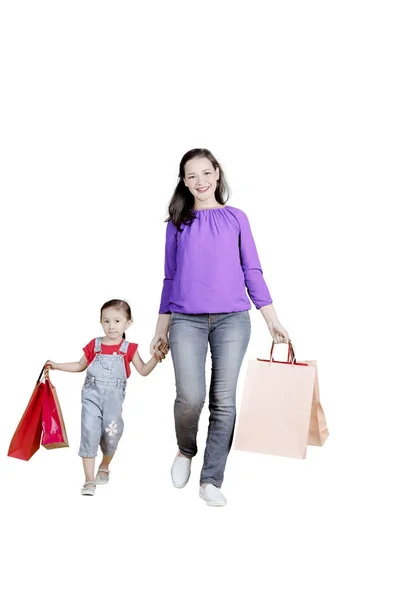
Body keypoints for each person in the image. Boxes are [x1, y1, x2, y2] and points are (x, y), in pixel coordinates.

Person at [150, 148, 289, 507]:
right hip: (185, 320)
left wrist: (272, 321)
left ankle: (211, 479)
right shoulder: (177, 222)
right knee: (190, 397)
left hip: (232, 321)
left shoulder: (237, 218)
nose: (200, 181)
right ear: (184, 181)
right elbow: (169, 277)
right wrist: (160, 329)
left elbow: (252, 271)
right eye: (191, 175)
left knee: (223, 402)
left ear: (217, 173)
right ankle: (185, 449)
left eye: (206, 173)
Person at [46, 299, 168, 496]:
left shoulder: (129, 349)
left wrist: (156, 358)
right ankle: (89, 480)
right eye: (107, 321)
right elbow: (79, 365)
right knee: (89, 432)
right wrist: (57, 365)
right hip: (91, 398)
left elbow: (144, 371)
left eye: (117, 321)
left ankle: (104, 465)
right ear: (101, 322)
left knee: (112, 435)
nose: (111, 326)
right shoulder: (94, 345)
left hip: (113, 403)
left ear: (128, 323)